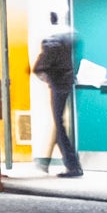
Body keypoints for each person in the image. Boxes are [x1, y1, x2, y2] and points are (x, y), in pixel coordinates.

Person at [31, 30, 84, 178]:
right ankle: (50, 162)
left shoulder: (50, 43)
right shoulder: (67, 41)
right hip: (66, 83)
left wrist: (49, 80)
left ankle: (72, 166)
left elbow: (38, 68)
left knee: (58, 124)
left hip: (58, 86)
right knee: (58, 124)